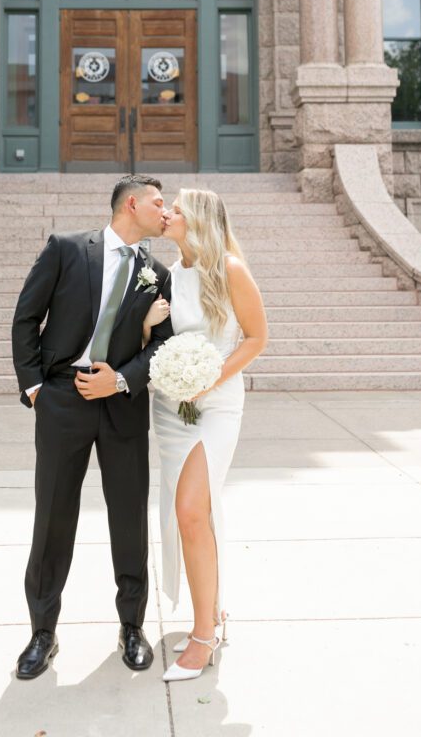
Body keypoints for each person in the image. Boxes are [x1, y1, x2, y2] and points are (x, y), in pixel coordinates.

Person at [12, 175, 174, 680]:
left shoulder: (157, 272)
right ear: (132, 203)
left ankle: (131, 627)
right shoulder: (65, 249)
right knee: (54, 517)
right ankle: (42, 632)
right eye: (158, 202)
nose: (165, 211)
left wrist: (122, 381)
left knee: (129, 520)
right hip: (62, 400)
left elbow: (161, 346)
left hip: (122, 406)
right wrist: (37, 388)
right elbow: (26, 318)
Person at [143, 188, 268, 683]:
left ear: (197, 220)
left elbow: (258, 338)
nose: (168, 213)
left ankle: (203, 636)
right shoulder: (170, 276)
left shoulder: (230, 269)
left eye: (176, 208)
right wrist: (148, 324)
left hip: (215, 404)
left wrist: (207, 378)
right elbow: (158, 343)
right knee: (189, 513)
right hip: (172, 408)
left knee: (193, 510)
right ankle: (211, 611)